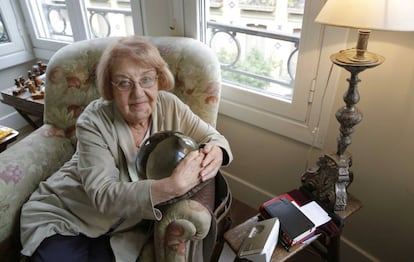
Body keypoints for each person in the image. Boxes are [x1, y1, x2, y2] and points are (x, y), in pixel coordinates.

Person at [20, 36, 233, 262]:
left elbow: (213, 137)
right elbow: (102, 194)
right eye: (124, 82)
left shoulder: (169, 105)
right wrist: (171, 187)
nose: (138, 93)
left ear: (159, 80)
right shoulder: (93, 120)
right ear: (110, 89)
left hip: (120, 230)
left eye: (147, 79)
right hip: (68, 213)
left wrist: (217, 151)